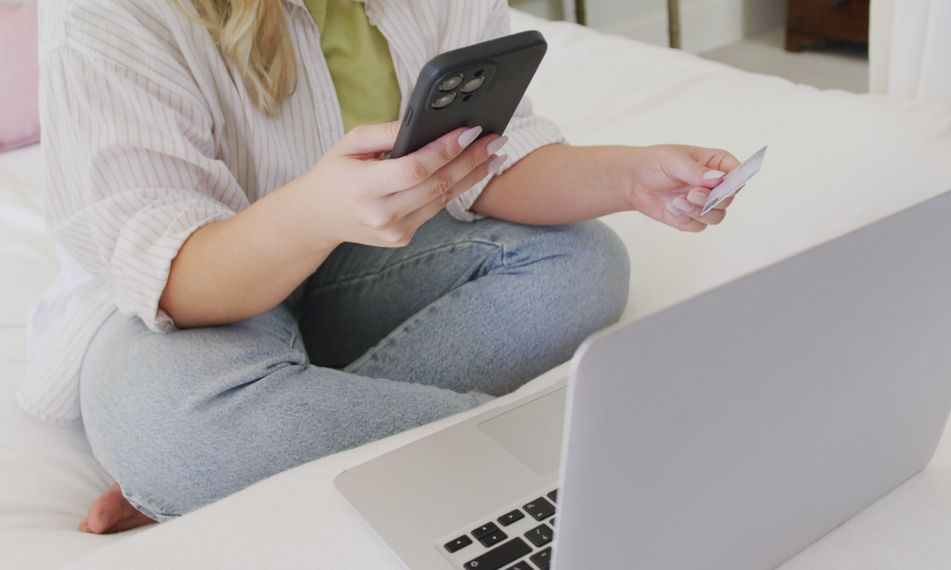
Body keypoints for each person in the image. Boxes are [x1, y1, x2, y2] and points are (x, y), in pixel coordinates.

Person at [26, 0, 741, 534]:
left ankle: (254, 448)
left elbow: (490, 159)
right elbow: (175, 276)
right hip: (189, 300)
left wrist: (632, 177)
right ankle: (557, 464)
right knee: (180, 432)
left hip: (357, 265)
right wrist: (312, 212)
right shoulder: (103, 16)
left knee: (581, 259)